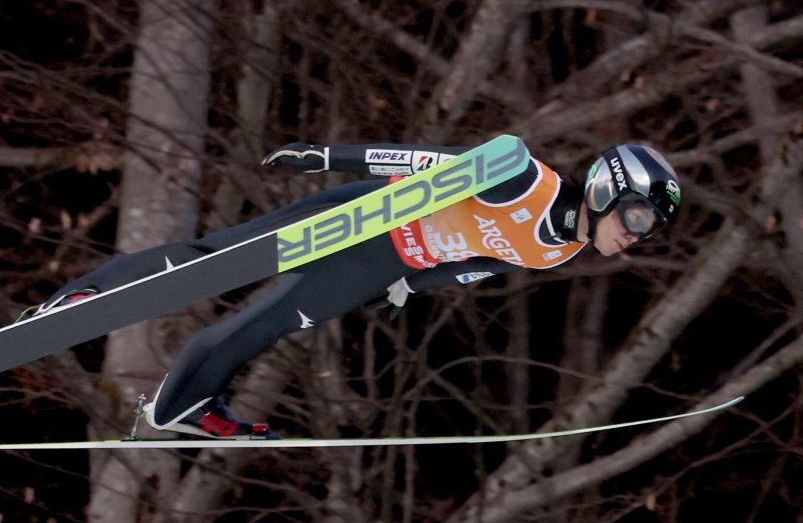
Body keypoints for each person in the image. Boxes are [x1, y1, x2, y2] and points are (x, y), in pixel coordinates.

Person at [36, 138, 682, 439]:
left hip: (383, 263)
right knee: (220, 257)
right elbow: (422, 162)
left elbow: (477, 263)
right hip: (370, 216)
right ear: (605, 189)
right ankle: (85, 297)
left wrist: (405, 289)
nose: (634, 236)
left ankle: (182, 403)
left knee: (270, 325)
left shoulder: (560, 248)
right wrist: (327, 156)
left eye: (645, 229)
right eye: (635, 218)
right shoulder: (522, 176)